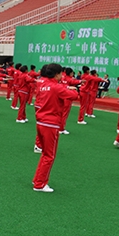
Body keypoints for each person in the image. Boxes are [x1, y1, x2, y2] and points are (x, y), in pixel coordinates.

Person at [32, 64, 80, 192]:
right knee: (49, 155)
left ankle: (38, 179)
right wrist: (74, 89)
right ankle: (40, 184)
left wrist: (66, 86)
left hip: (41, 122)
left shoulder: (43, 83)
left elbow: (58, 88)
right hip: (50, 123)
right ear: (57, 74)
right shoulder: (56, 87)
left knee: (45, 154)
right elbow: (74, 96)